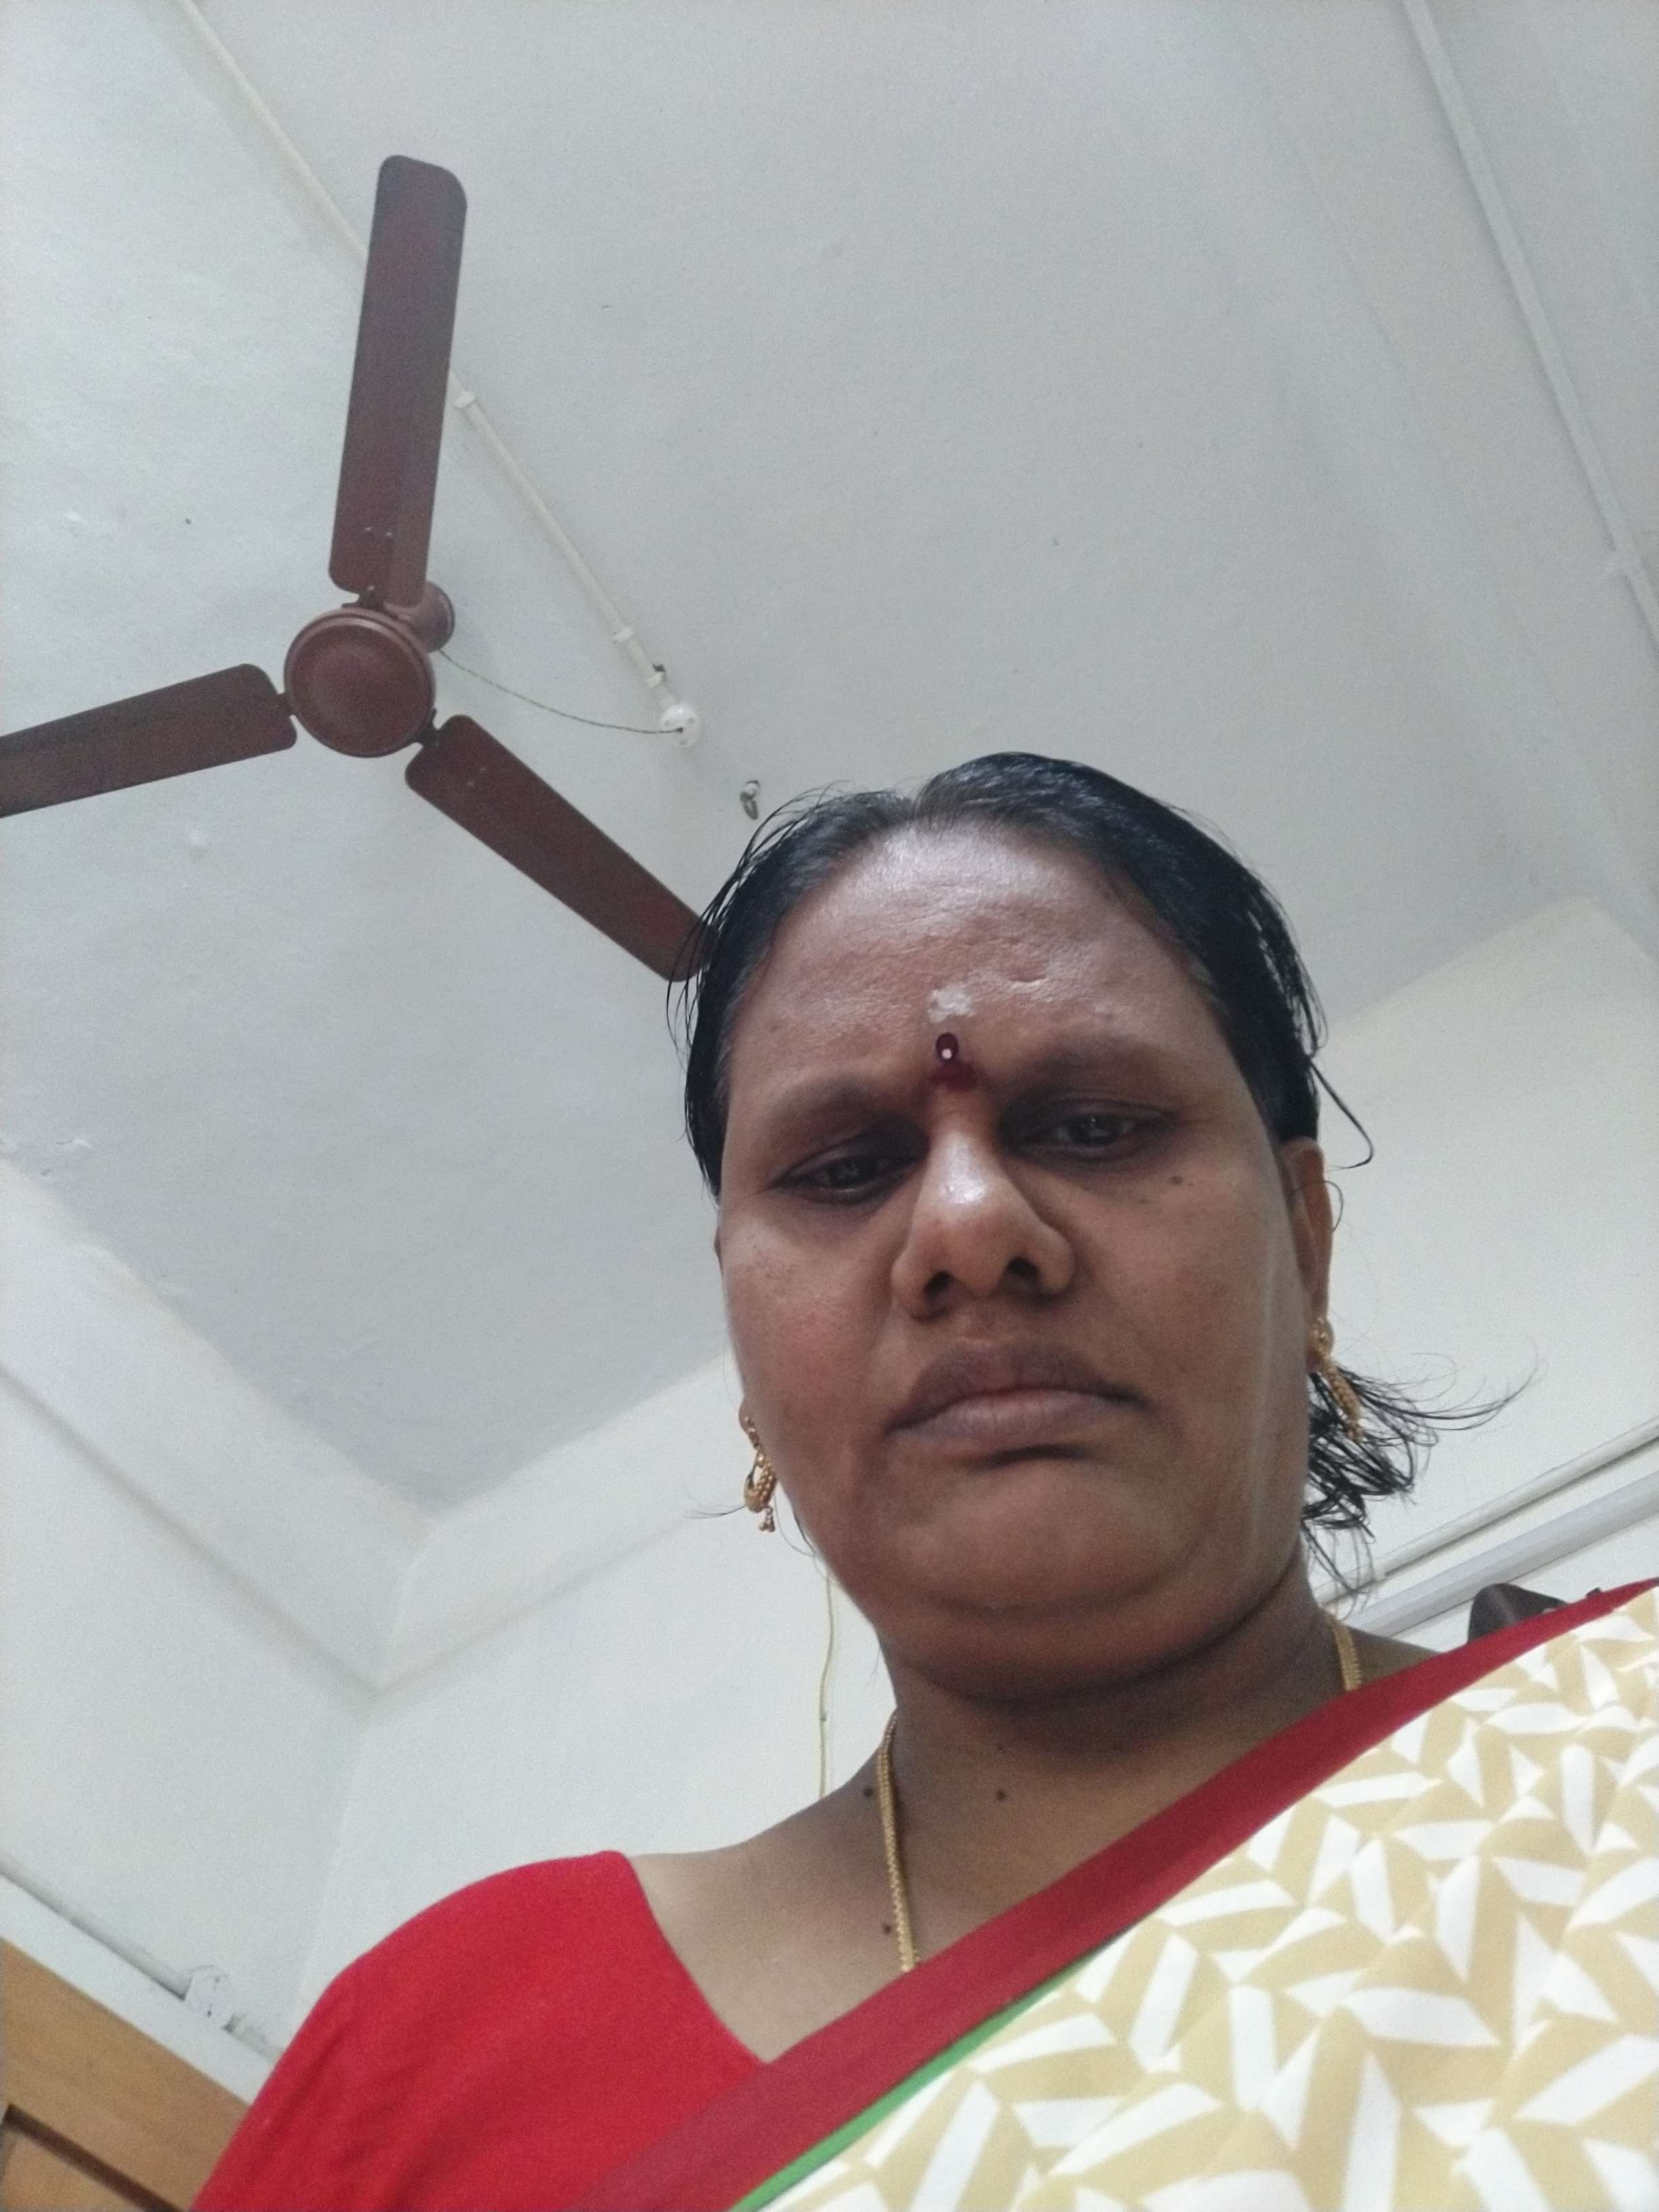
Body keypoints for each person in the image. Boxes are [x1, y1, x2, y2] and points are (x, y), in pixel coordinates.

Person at [197, 755, 1656, 2212]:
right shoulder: (445, 2046)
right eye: (845, 1169)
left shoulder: (1623, 1760)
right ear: (744, 1343)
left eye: (1093, 1125)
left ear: (1305, 1241)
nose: (967, 1227)